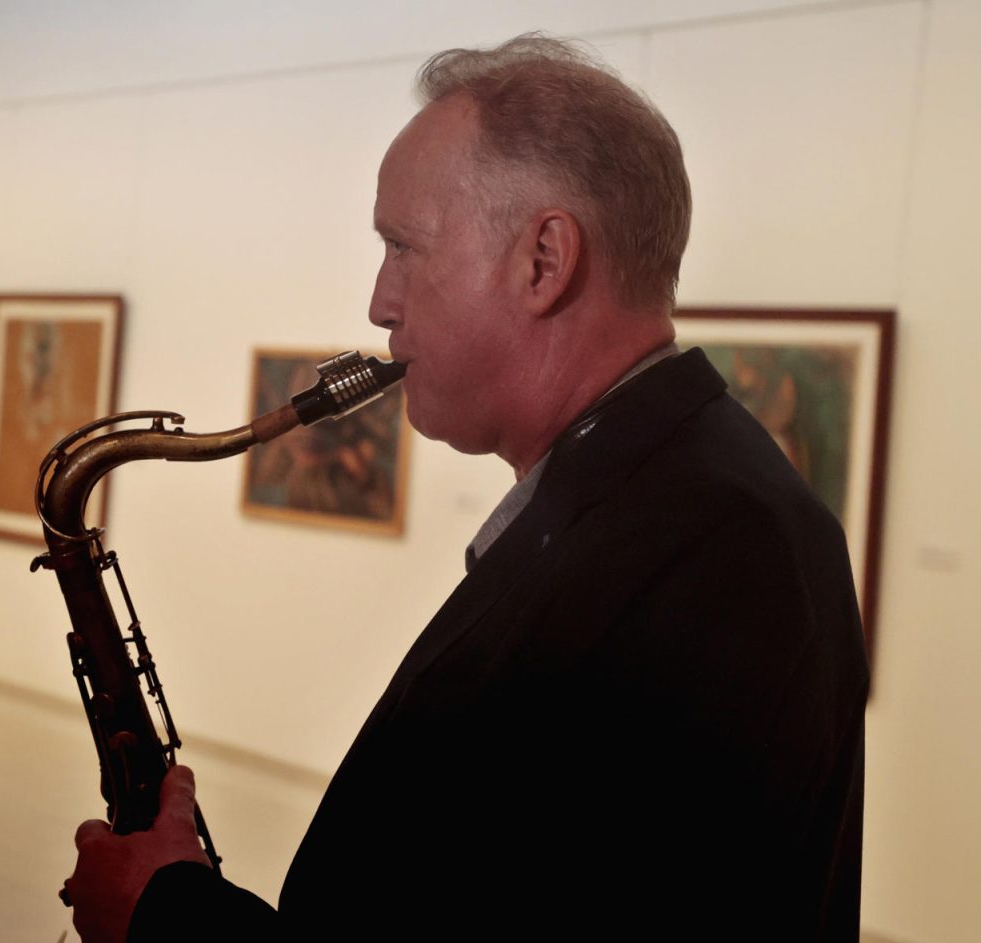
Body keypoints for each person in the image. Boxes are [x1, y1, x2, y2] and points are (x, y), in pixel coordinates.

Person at [64, 32, 869, 942]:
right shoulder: (671, 510)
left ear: (543, 261)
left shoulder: (716, 550)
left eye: (402, 246)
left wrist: (168, 917)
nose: (379, 300)